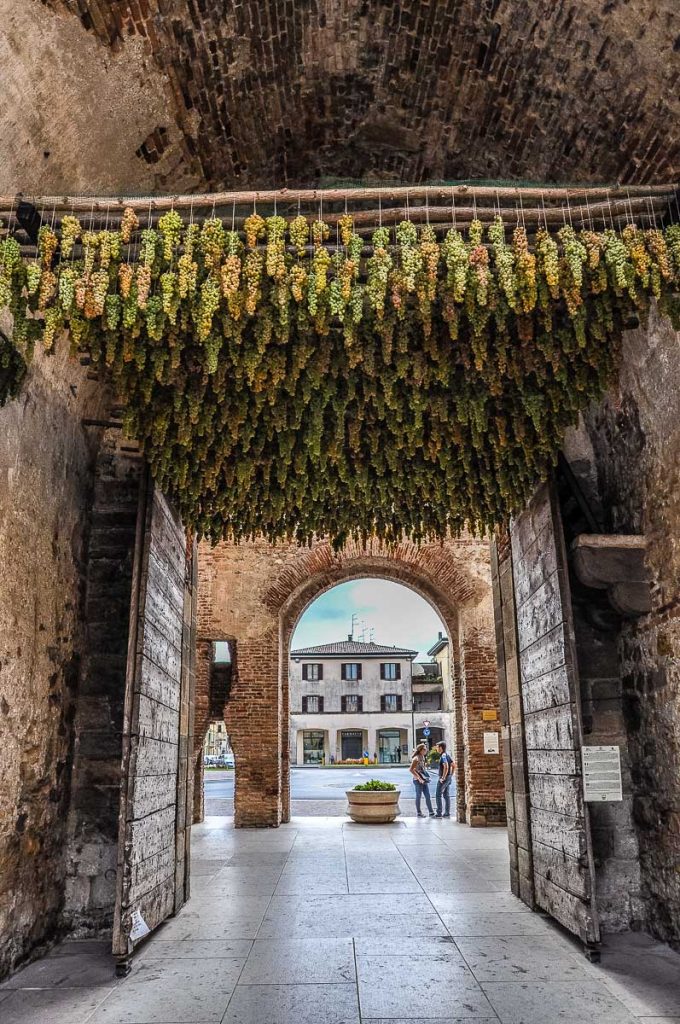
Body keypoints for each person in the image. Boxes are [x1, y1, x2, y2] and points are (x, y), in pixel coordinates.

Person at [409, 742, 435, 817]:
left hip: (424, 780)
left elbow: (422, 769)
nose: (426, 750)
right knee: (418, 796)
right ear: (420, 750)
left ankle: (431, 812)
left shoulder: (422, 757)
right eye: (424, 749)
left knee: (427, 796)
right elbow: (411, 769)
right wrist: (419, 778)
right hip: (417, 780)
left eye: (426, 749)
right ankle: (419, 813)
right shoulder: (416, 758)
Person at [434, 741, 454, 818]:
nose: (436, 749)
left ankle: (439, 813)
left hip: (444, 778)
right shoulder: (447, 755)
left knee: (438, 795)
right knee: (446, 795)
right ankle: (447, 813)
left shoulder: (443, 756)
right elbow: (453, 765)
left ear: (441, 748)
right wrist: (451, 775)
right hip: (448, 777)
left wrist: (443, 777)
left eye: (437, 747)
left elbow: (446, 766)